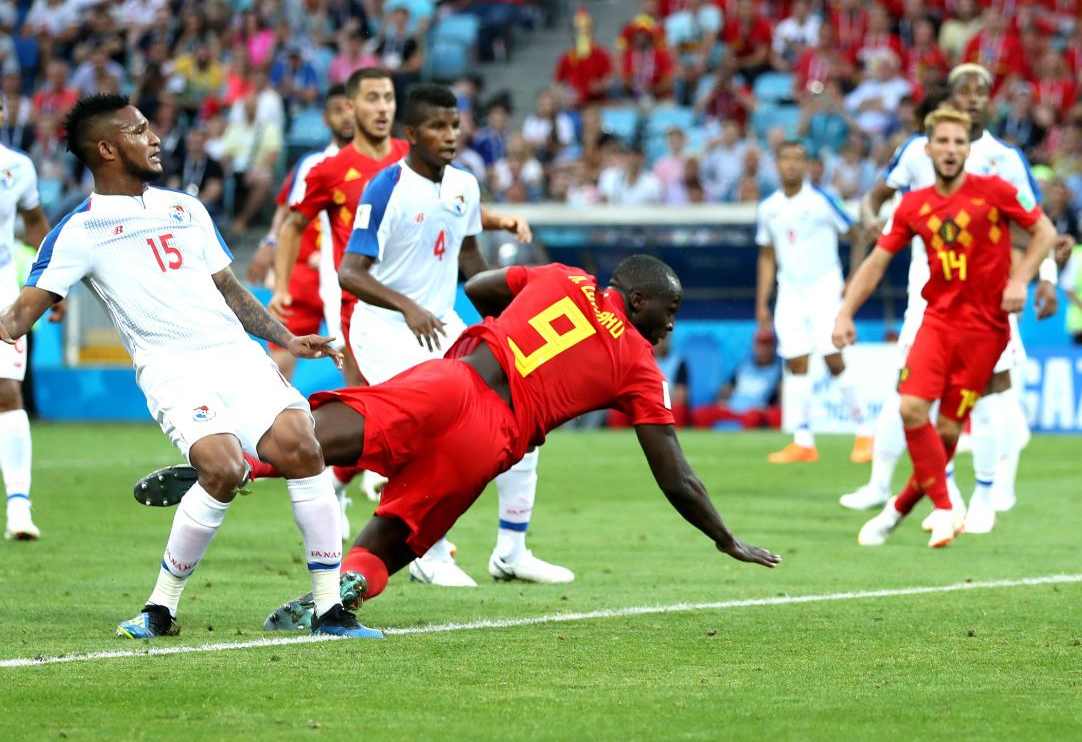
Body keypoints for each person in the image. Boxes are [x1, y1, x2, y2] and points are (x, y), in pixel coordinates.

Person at [136, 256, 781, 631]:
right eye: (667, 313)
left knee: (320, 438)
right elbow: (674, 473)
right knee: (398, 532)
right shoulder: (639, 364)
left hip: (453, 381)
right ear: (637, 302)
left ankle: (240, 465)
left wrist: (509, 322)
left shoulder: (561, 276)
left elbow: (478, 289)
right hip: (492, 440)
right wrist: (723, 537)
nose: (669, 328)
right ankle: (346, 588)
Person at [0, 95, 374, 640]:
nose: (154, 138)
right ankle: (161, 608)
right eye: (138, 131)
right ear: (106, 149)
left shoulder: (186, 208)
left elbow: (231, 291)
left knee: (303, 448)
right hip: (172, 370)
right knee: (221, 468)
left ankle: (328, 609)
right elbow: (16, 318)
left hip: (236, 356)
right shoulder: (78, 231)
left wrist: (288, 338)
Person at [336, 84, 559, 589]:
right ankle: (427, 554)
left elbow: (471, 261)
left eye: (455, 125)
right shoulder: (386, 188)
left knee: (521, 420)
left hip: (441, 326)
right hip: (386, 329)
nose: (450, 135)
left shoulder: (464, 185)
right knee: (436, 435)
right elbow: (350, 272)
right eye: (437, 127)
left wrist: (508, 321)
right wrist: (407, 306)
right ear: (412, 134)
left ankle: (512, 551)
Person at [840, 66, 1060, 536]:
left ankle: (980, 496)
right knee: (911, 404)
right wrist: (845, 311)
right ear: (929, 143)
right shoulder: (913, 186)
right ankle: (938, 497)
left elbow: (1042, 229)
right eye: (942, 140)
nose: (951, 147)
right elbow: (875, 240)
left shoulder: (1001, 171)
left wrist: (1033, 279)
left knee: (979, 407)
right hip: (931, 308)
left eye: (958, 142)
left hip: (988, 316)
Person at [275, 68, 407, 512]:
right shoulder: (324, 169)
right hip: (355, 302)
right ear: (349, 109)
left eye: (388, 97)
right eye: (372, 98)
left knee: (396, 406)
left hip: (412, 300)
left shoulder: (411, 157)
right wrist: (280, 283)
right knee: (374, 401)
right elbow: (290, 223)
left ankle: (336, 481)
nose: (382, 107)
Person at [755, 141, 865, 464]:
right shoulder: (769, 208)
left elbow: (857, 234)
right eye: (785, 159)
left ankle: (865, 431)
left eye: (798, 159)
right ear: (776, 165)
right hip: (789, 290)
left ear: (806, 166)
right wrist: (762, 302)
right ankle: (803, 440)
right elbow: (767, 255)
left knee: (832, 357)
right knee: (795, 360)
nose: (791, 164)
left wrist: (854, 278)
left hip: (824, 287)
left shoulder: (822, 201)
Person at [255, 84, 354, 379]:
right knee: (280, 361)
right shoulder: (310, 164)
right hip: (303, 275)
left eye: (350, 109)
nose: (346, 117)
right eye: (338, 110)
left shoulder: (380, 167)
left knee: (355, 365)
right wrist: (270, 244)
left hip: (350, 278)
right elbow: (286, 212)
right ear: (326, 118)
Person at [0, 93, 52, 539]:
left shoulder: (17, 167)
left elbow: (35, 223)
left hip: (2, 288)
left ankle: (19, 507)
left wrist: (54, 280)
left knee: (6, 390)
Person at [690, 329, 783, 429]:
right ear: (754, 346)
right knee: (701, 414)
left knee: (753, 417)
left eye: (767, 346)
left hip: (755, 412)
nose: (763, 350)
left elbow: (777, 402)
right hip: (732, 408)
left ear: (774, 347)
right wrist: (722, 398)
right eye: (760, 345)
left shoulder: (779, 372)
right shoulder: (744, 367)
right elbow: (728, 389)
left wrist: (768, 408)